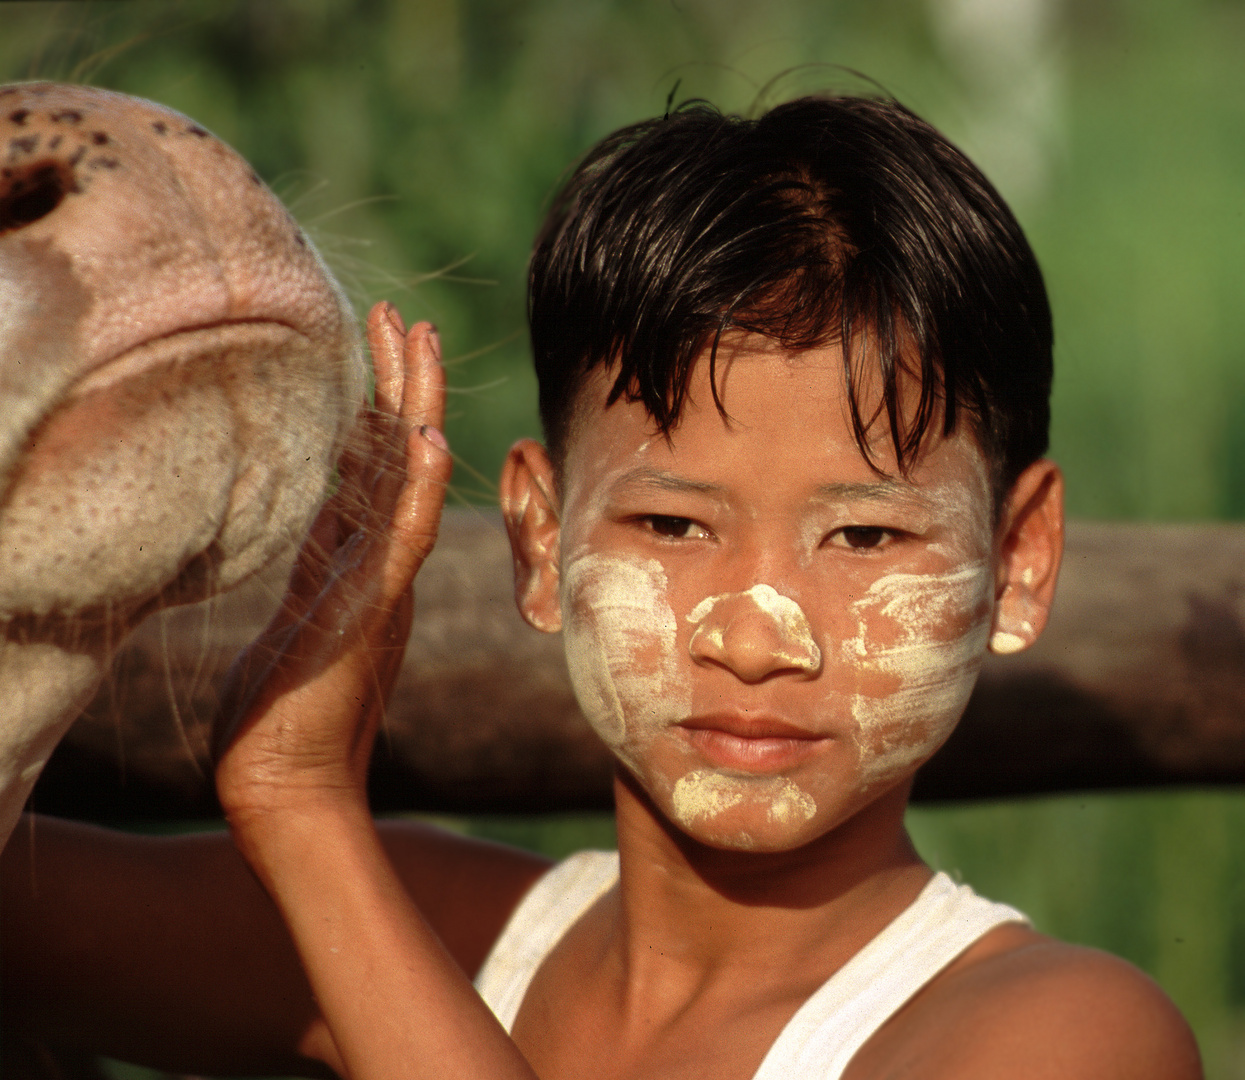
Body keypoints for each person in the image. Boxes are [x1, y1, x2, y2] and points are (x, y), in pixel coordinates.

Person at [2, 95, 1201, 1080]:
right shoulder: (449, 929)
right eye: (672, 522)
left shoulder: (1063, 1035)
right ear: (538, 538)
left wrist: (304, 814)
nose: (753, 633)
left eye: (865, 540)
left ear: (1020, 562)